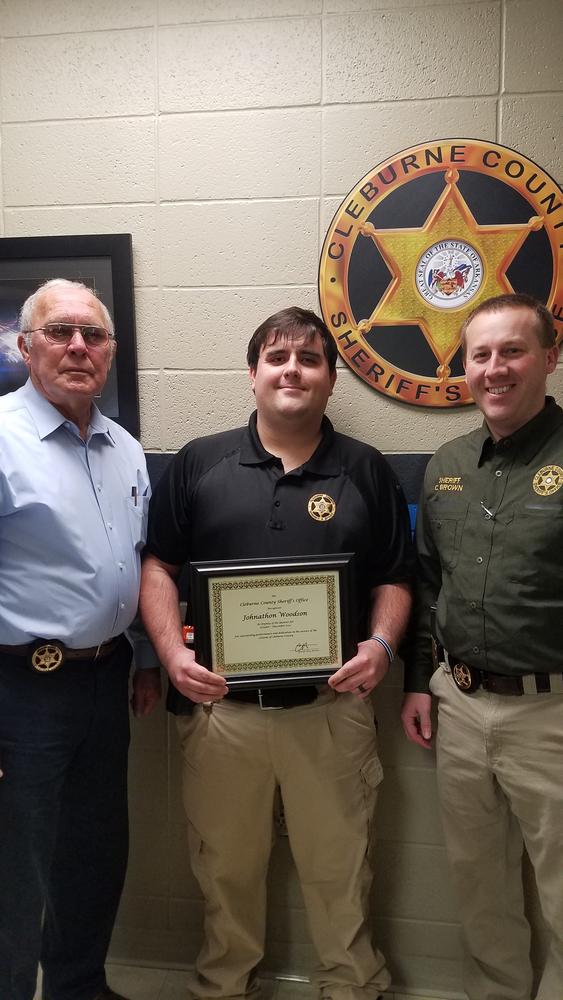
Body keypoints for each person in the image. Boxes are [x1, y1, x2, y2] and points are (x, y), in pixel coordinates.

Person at [140, 306, 413, 1000]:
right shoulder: (201, 462)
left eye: (309, 358)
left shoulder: (365, 469)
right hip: (222, 715)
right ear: (253, 374)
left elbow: (394, 576)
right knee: (224, 870)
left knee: (340, 868)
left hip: (330, 711)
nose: (292, 368)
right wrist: (171, 656)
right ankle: (222, 987)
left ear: (329, 378)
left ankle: (350, 986)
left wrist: (382, 645)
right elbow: (157, 570)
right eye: (276, 356)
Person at [0, 279, 161, 1000]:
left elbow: (135, 562)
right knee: (14, 864)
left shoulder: (123, 447)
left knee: (94, 853)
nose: (77, 347)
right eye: (60, 332)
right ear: (24, 346)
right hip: (18, 688)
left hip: (105, 682)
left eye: (92, 336)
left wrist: (147, 658)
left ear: (110, 352)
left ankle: (77, 987)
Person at [401, 293, 563, 1000]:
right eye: (480, 355)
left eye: (512, 351)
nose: (494, 368)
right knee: (478, 885)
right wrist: (416, 682)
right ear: (463, 367)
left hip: (549, 714)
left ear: (549, 358)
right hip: (458, 706)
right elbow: (427, 583)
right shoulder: (445, 464)